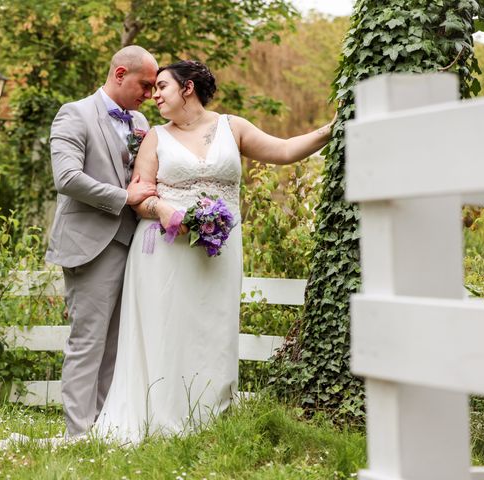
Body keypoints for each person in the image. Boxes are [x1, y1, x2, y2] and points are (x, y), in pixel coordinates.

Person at [94, 60, 335, 444]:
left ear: (187, 88)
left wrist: (330, 129)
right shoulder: (155, 136)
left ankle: (209, 420)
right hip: (165, 251)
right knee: (168, 330)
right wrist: (163, 210)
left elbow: (286, 149)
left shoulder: (232, 127)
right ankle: (162, 418)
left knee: (213, 329)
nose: (154, 95)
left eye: (162, 87)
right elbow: (140, 195)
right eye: (153, 89)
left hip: (219, 250)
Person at [45, 45, 159, 437]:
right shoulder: (74, 114)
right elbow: (67, 178)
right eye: (145, 84)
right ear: (120, 73)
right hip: (90, 244)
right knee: (88, 341)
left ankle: (102, 428)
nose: (149, 93)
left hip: (136, 245)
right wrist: (123, 197)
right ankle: (76, 435)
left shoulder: (141, 121)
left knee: (116, 343)